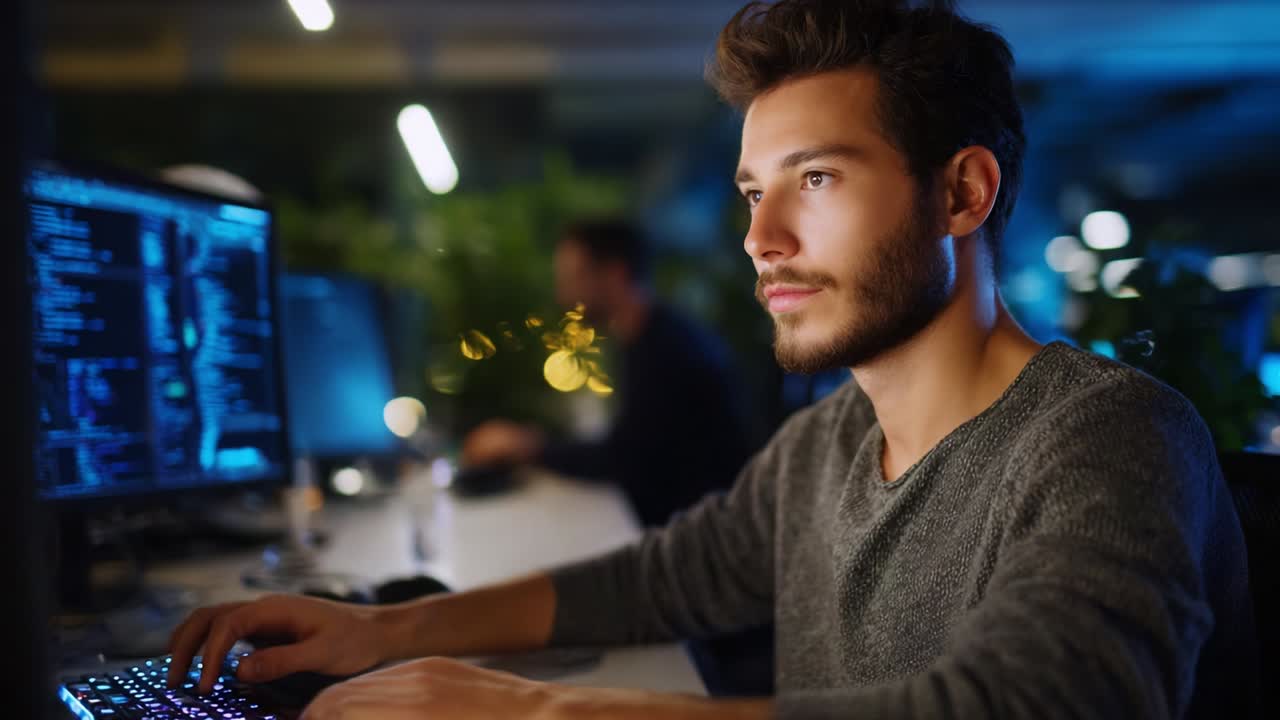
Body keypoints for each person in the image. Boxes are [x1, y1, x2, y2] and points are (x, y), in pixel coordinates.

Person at [166, 1, 1258, 717]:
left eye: (815, 179)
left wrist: (538, 712)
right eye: (751, 192)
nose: (760, 237)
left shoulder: (1108, 435)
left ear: (962, 194)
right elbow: (655, 580)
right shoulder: (826, 443)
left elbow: (1036, 706)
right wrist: (380, 628)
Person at [461, 218, 764, 528]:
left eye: (574, 277)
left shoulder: (668, 351)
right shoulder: (648, 336)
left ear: (616, 273)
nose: (563, 295)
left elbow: (624, 459)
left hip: (702, 535)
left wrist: (526, 445)